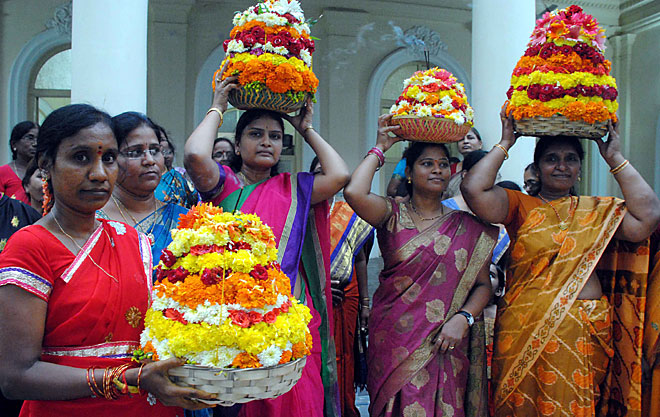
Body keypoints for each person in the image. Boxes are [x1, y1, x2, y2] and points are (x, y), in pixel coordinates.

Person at [0, 104, 216, 417]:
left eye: (109, 158)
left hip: (150, 407)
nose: (100, 173)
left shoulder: (133, 240)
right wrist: (126, 379)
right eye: (81, 157)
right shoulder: (30, 247)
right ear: (46, 163)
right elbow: (16, 376)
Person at [460, 103, 660, 416]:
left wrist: (614, 158)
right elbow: (473, 188)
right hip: (523, 330)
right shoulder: (519, 205)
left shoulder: (596, 212)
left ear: (580, 166)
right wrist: (506, 142)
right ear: (536, 168)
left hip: (583, 332)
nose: (561, 166)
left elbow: (647, 217)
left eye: (570, 159)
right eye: (551, 159)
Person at [183, 68, 350, 417]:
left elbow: (339, 174)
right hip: (234, 323)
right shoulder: (224, 185)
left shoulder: (297, 188)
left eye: (275, 136)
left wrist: (305, 128)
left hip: (290, 318)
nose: (266, 142)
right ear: (239, 143)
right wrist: (218, 106)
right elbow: (196, 156)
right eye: (255, 134)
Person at [343, 113, 498, 417]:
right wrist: (380, 147)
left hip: (447, 343)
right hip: (394, 339)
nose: (438, 170)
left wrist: (464, 318)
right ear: (410, 172)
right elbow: (353, 192)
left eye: (443, 164)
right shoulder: (391, 213)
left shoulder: (466, 226)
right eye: (427, 163)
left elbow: (483, 285)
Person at [311, 157, 374, 417]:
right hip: (312, 295)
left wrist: (365, 304)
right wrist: (320, 289)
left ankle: (345, 409)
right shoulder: (303, 208)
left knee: (343, 356)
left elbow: (360, 257)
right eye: (318, 173)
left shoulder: (351, 213)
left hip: (346, 294)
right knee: (316, 357)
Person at [97, 112, 188, 276]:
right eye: (135, 152)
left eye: (155, 150)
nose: (150, 160)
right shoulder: (92, 222)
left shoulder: (184, 221)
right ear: (110, 159)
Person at [154, 125, 198, 208]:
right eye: (155, 140)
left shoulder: (178, 177)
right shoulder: (142, 179)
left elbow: (193, 202)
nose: (160, 144)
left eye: (162, 140)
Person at [0, 121, 38, 203]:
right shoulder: (2, 173)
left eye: (39, 139)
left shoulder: (45, 172)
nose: (35, 143)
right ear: (14, 144)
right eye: (30, 138)